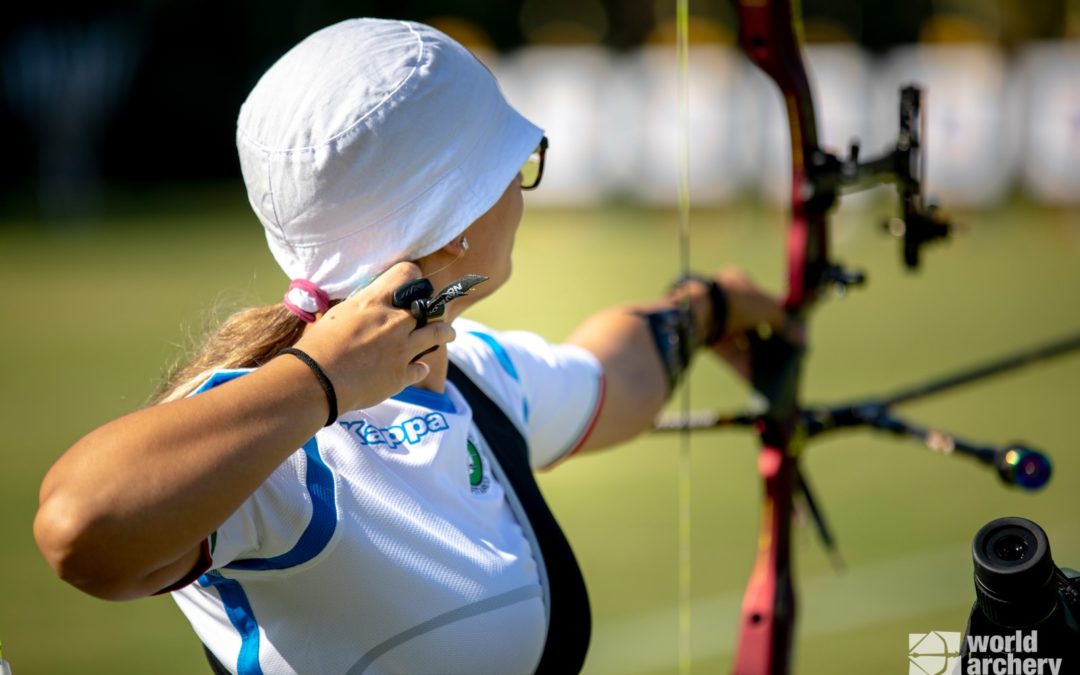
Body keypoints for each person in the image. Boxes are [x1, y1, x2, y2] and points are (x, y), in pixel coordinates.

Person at [33, 18, 789, 675]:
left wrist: (707, 305)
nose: (524, 193)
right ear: (457, 220)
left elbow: (609, 376)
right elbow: (78, 528)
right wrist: (322, 380)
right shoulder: (273, 433)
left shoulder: (473, 373)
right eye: (514, 169)